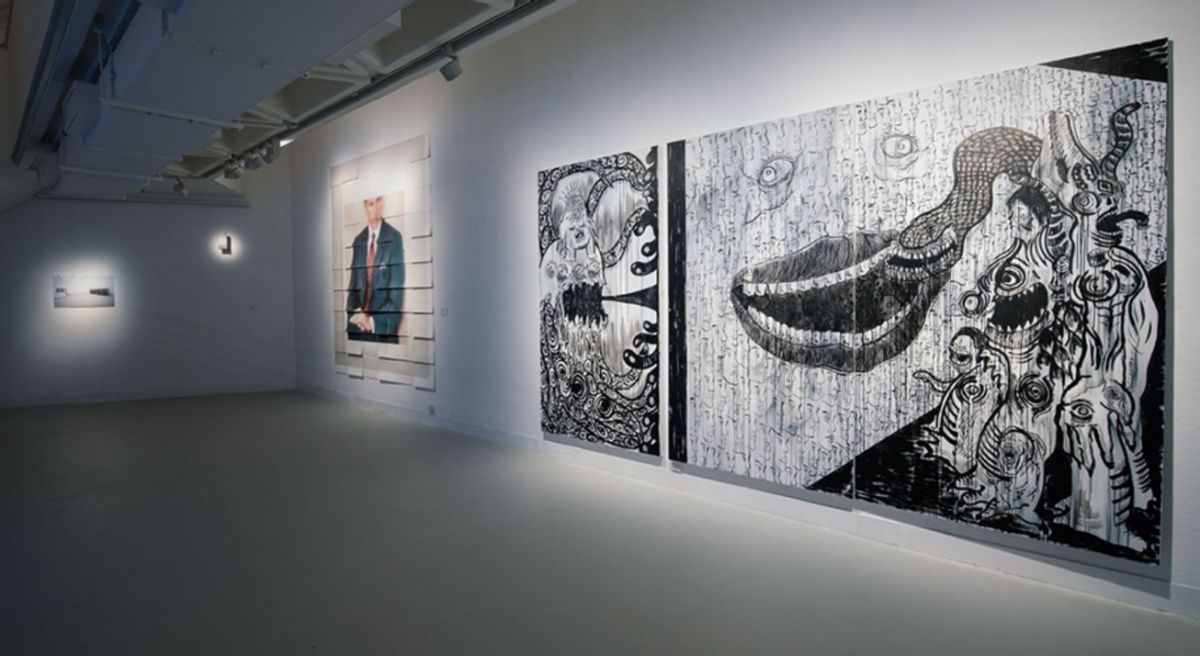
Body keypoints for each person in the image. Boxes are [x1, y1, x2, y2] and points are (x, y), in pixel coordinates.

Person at [346, 194, 404, 343]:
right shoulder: (358, 241)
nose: (376, 207)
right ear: (365, 207)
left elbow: (396, 299)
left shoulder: (394, 238)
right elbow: (352, 291)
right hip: (358, 331)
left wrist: (371, 322)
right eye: (371, 204)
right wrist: (356, 316)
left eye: (378, 200)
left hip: (381, 332)